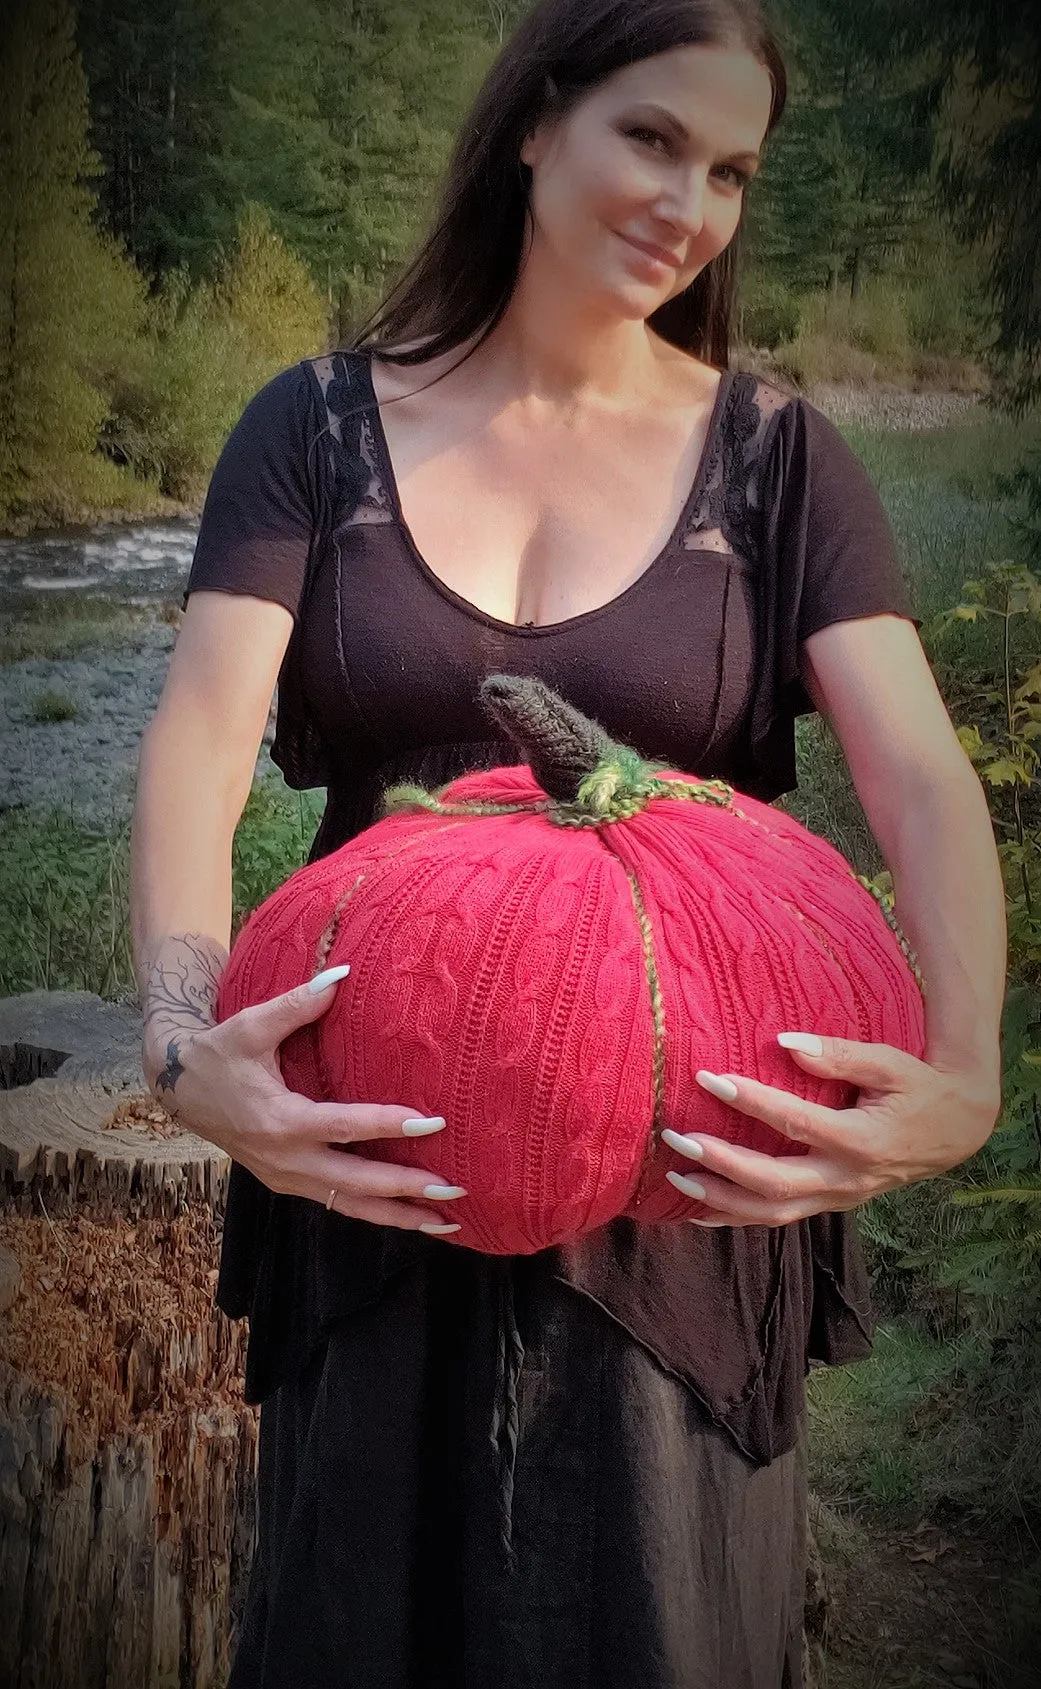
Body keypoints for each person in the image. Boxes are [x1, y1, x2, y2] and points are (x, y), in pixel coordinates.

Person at [130, 1, 1006, 1683]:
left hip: (681, 1213)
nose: (691, 202)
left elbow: (917, 775)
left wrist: (965, 1067)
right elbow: (197, 745)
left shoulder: (780, 465)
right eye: (652, 137)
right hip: (372, 1158)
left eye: (732, 168)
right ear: (533, 123)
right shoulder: (312, 431)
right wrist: (179, 1040)